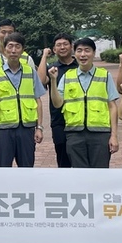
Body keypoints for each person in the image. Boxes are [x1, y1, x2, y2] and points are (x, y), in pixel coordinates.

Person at [49, 37, 119, 168]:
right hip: (74, 133)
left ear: (93, 53)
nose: (83, 54)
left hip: (100, 133)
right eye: (79, 51)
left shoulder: (104, 75)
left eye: (87, 50)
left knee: (100, 173)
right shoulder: (67, 76)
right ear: (74, 54)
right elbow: (58, 103)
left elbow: (112, 107)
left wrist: (114, 136)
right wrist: (53, 81)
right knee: (79, 174)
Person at [0, 31, 45, 167]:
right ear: (4, 49)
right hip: (3, 129)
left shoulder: (30, 72)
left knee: (27, 167)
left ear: (23, 50)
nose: (13, 50)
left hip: (26, 128)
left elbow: (38, 101)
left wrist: (39, 128)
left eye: (17, 46)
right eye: (10, 46)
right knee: (3, 167)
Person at [38, 33, 77, 167]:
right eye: (58, 45)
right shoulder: (52, 69)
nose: (62, 47)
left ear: (71, 47)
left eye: (65, 44)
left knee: (79, 159)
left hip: (78, 120)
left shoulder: (80, 66)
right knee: (63, 159)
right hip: (59, 121)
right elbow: (41, 81)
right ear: (54, 49)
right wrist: (44, 56)